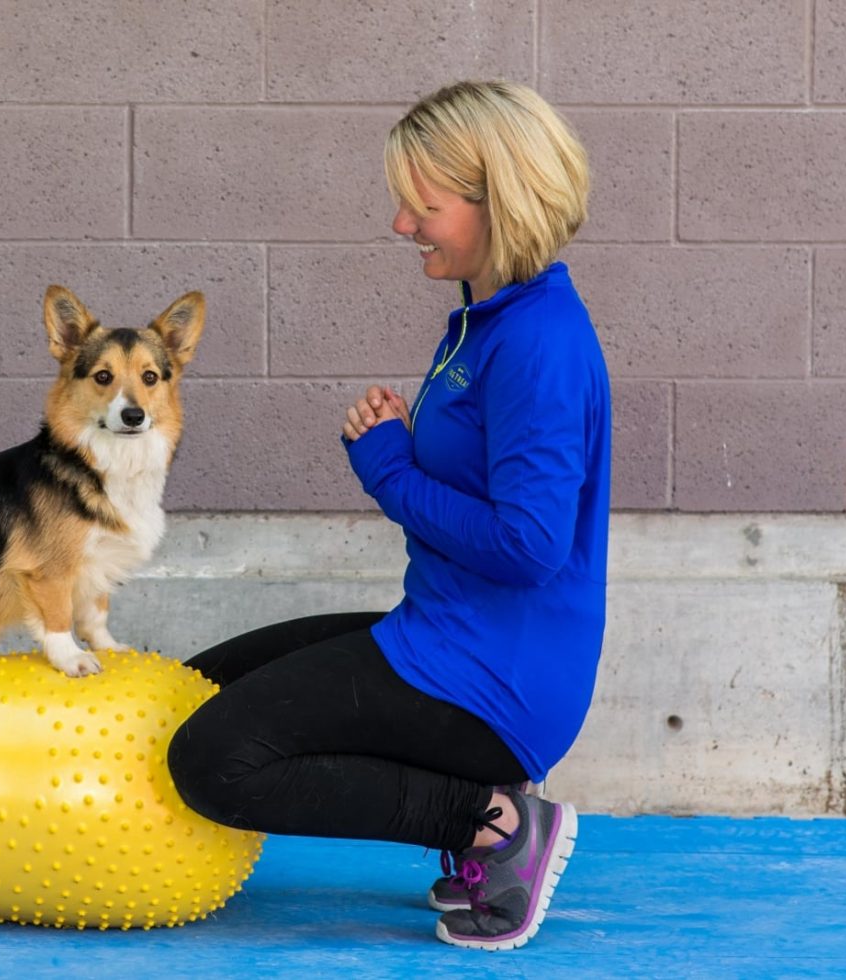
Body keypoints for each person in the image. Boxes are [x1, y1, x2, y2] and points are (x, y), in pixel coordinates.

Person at [166, 80, 610, 951]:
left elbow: (528, 546)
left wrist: (389, 472)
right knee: (198, 688)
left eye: (423, 205)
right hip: (445, 636)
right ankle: (474, 813)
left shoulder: (536, 344)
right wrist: (405, 450)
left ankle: (492, 824)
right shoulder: (486, 322)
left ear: (498, 198)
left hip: (492, 681)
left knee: (211, 760)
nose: (402, 225)